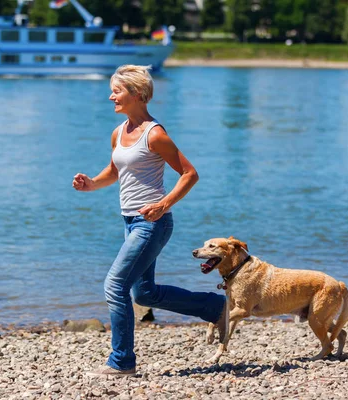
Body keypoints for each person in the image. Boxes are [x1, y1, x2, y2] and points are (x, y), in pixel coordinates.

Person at [72, 64, 227, 377]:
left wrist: (164, 203)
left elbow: (189, 173)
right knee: (144, 294)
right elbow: (115, 172)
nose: (111, 96)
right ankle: (214, 308)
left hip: (153, 224)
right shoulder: (119, 132)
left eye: (117, 91)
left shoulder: (154, 134)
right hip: (129, 222)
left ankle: (122, 362)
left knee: (115, 285)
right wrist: (91, 183)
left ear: (138, 94)